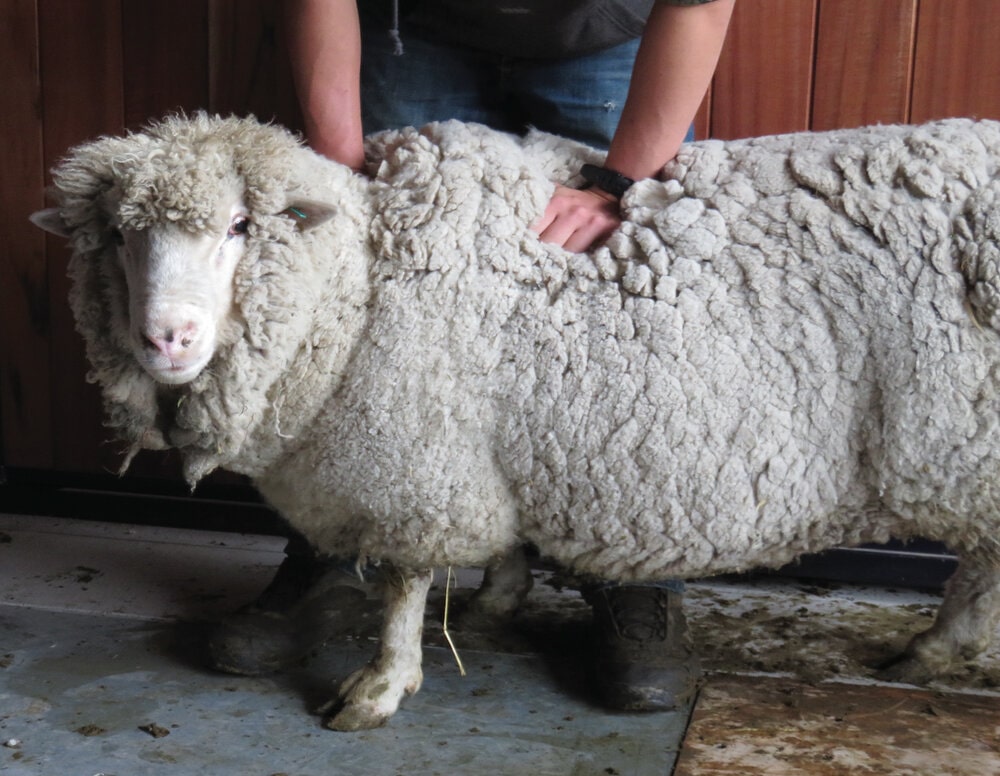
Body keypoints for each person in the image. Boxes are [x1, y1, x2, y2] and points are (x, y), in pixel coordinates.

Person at [209, 0, 735, 712]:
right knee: (366, 285)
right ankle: (334, 551)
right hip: (411, 28)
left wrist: (618, 185)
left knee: (622, 294)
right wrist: (340, 175)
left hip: (610, 34)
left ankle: (635, 568)